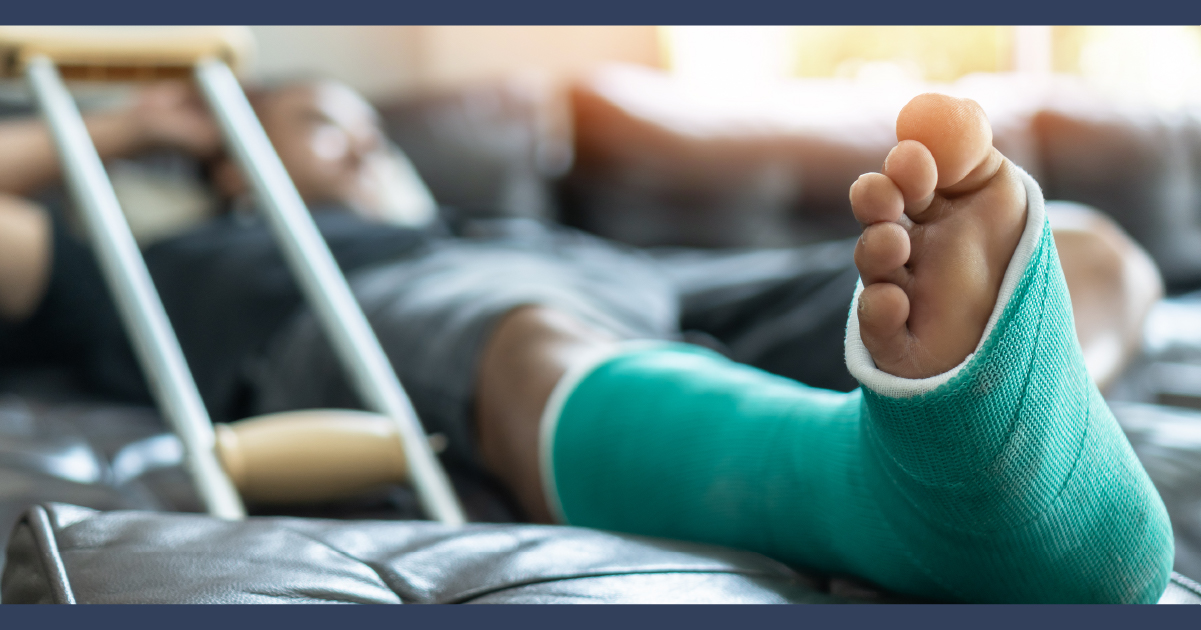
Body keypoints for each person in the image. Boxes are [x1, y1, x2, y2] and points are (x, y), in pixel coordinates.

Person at [0, 81, 1172, 602]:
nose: (364, 148)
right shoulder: (184, 255)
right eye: (320, 130)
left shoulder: (503, 214)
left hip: (642, 282)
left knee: (1087, 246)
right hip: (404, 303)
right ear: (236, 164)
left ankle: (1006, 395)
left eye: (372, 131)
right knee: (521, 335)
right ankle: (947, 476)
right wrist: (128, 126)